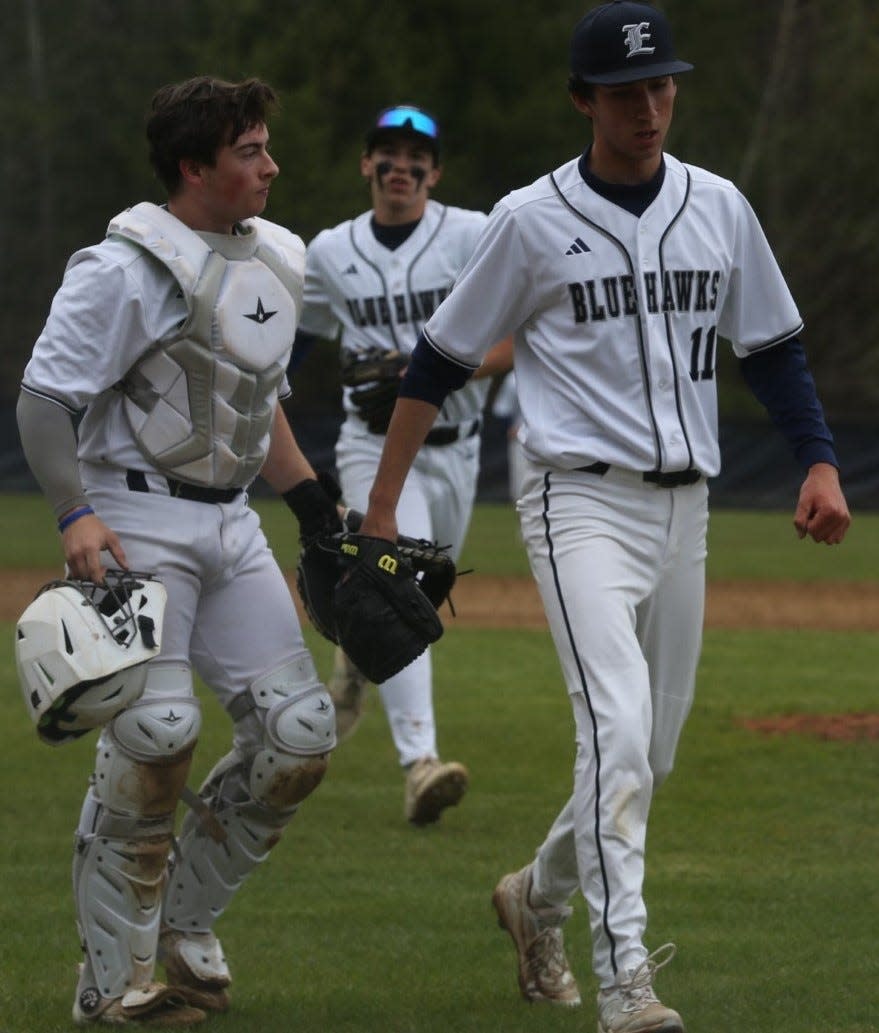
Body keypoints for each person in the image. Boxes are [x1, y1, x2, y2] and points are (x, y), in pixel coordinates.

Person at [354, 3, 851, 1031]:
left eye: (662, 85)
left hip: (688, 509)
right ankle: (628, 982)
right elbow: (440, 359)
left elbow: (772, 347)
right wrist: (385, 498)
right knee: (616, 733)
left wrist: (819, 461)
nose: (649, 106)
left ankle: (533, 899)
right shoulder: (529, 220)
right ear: (584, 100)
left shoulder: (717, 205)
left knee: (650, 756)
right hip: (573, 498)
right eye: (626, 92)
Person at [16, 76, 342, 1025]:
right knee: (155, 737)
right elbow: (45, 400)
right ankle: (110, 985)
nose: (271, 165)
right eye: (249, 150)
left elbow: (249, 397)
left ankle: (186, 926)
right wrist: (75, 514)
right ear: (195, 167)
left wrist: (314, 504)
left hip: (232, 520)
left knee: (299, 737)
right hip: (133, 512)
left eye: (266, 145)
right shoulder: (124, 267)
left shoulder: (278, 257)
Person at [291, 104, 512, 825]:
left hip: (456, 451)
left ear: (435, 172)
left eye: (416, 155)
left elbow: (525, 334)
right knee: (401, 583)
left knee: (394, 595)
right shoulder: (330, 251)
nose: (400, 166)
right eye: (386, 152)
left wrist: (435, 372)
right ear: (366, 165)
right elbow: (298, 340)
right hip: (370, 444)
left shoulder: (473, 235)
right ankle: (419, 762)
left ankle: (355, 659)